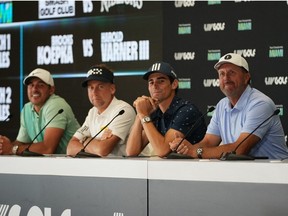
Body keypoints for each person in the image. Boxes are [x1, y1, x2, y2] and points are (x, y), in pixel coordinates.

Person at [169, 53, 288, 159]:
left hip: (275, 175)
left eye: (232, 72)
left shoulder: (260, 103)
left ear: (246, 77)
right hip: (240, 173)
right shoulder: (221, 105)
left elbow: (239, 149)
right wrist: (186, 148)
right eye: (222, 74)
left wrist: (196, 151)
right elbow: (209, 142)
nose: (226, 78)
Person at [126, 61, 207, 157]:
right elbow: (131, 152)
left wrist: (144, 115)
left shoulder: (186, 110)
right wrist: (139, 115)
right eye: (151, 82)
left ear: (174, 84)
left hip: (198, 168)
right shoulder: (156, 112)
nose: (155, 86)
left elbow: (162, 150)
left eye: (161, 81)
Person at [0, 68, 80, 155]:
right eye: (31, 85)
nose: (34, 89)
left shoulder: (56, 105)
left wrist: (11, 149)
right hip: (49, 164)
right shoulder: (27, 109)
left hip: (74, 163)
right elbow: (21, 143)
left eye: (40, 85)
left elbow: (47, 148)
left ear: (51, 90)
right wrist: (3, 146)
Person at [66, 64, 136, 157]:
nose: (94, 92)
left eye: (100, 87)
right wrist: (95, 145)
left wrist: (85, 140)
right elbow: (70, 147)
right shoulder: (93, 112)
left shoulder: (123, 110)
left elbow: (103, 150)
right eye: (91, 87)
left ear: (112, 89)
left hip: (133, 167)